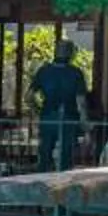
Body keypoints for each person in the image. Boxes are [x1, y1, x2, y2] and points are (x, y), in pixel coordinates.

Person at [31, 39, 89, 169]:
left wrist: (38, 110)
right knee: (66, 155)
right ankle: (63, 177)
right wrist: (84, 120)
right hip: (69, 117)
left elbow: (28, 96)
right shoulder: (76, 73)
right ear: (71, 54)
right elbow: (80, 100)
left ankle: (43, 176)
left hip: (48, 116)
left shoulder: (44, 71)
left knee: (45, 152)